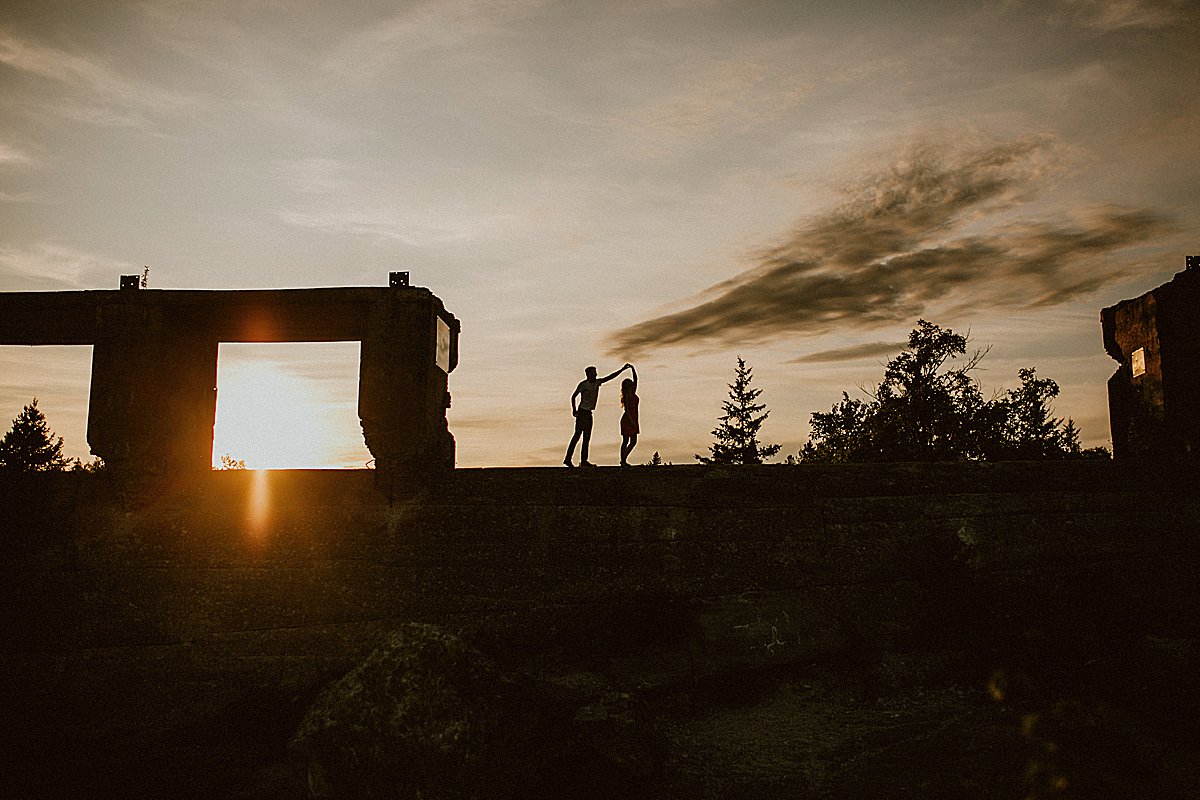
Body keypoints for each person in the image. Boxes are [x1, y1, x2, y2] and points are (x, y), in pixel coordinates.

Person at [564, 363, 631, 467]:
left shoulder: (597, 383)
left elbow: (610, 377)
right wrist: (574, 410)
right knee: (577, 436)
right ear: (588, 374)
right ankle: (568, 459)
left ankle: (584, 461)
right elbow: (573, 397)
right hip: (582, 413)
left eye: (595, 373)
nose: (595, 375)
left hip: (589, 413)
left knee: (586, 438)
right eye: (593, 373)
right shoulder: (583, 385)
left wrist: (622, 370)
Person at [619, 366, 639, 466]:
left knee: (633, 441)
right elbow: (627, 409)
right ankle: (623, 460)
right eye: (629, 383)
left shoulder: (633, 392)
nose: (632, 383)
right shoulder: (627, 396)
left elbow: (636, 379)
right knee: (626, 440)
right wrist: (631, 421)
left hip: (634, 418)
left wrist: (632, 369)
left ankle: (623, 458)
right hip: (628, 419)